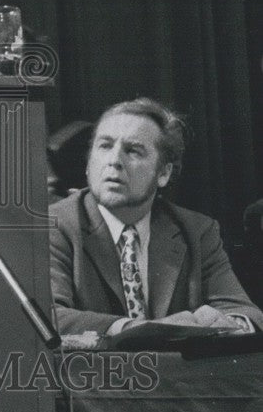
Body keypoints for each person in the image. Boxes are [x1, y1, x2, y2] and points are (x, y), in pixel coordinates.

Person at [50, 97, 263, 336]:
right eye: (105, 146)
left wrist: (230, 324)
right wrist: (140, 330)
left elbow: (245, 311)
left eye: (133, 151)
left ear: (163, 173)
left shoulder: (197, 230)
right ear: (88, 164)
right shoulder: (53, 225)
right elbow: (47, 315)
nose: (114, 161)